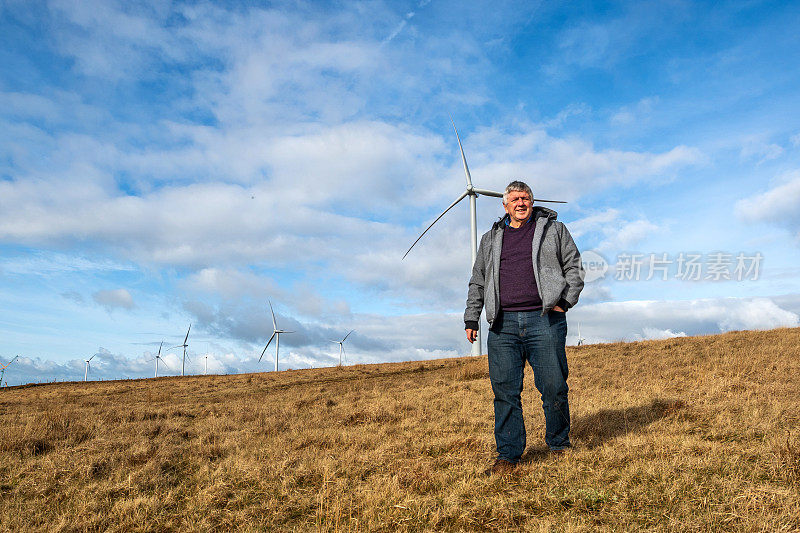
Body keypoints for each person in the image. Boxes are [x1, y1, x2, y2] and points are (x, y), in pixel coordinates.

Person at [464, 180, 583, 474]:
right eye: (515, 198)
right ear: (505, 204)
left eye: (526, 198)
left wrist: (565, 301)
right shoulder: (490, 239)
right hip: (502, 325)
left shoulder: (554, 230)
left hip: (545, 320)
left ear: (532, 202)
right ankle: (508, 455)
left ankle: (558, 445)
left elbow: (574, 267)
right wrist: (472, 316)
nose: (521, 203)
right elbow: (478, 279)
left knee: (554, 386)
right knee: (505, 392)